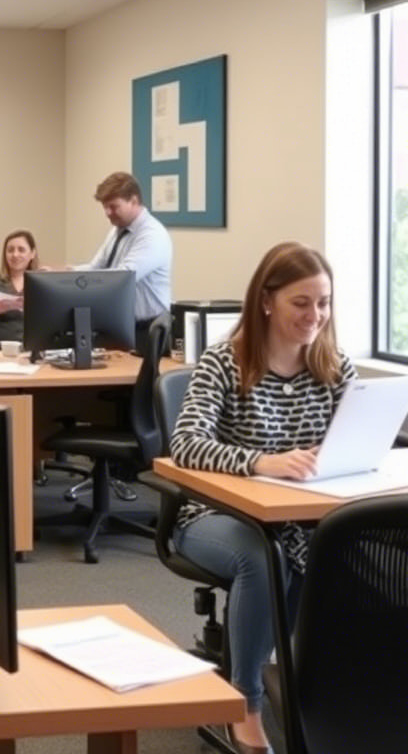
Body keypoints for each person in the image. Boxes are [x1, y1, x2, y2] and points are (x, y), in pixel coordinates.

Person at [170, 242, 356, 754]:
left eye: (324, 302)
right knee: (263, 557)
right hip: (213, 514)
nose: (315, 315)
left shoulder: (334, 368)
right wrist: (259, 461)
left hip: (300, 517)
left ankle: (336, 691)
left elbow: (356, 443)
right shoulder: (224, 362)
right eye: (302, 302)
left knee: (348, 548)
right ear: (267, 301)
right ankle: (245, 701)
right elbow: (185, 443)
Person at [76, 172, 171, 351]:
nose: (107, 213)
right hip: (119, 328)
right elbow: (97, 268)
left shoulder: (152, 235)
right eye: (105, 207)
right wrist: (62, 274)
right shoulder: (117, 230)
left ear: (133, 201)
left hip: (146, 330)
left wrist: (76, 281)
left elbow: (121, 279)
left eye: (113, 206)